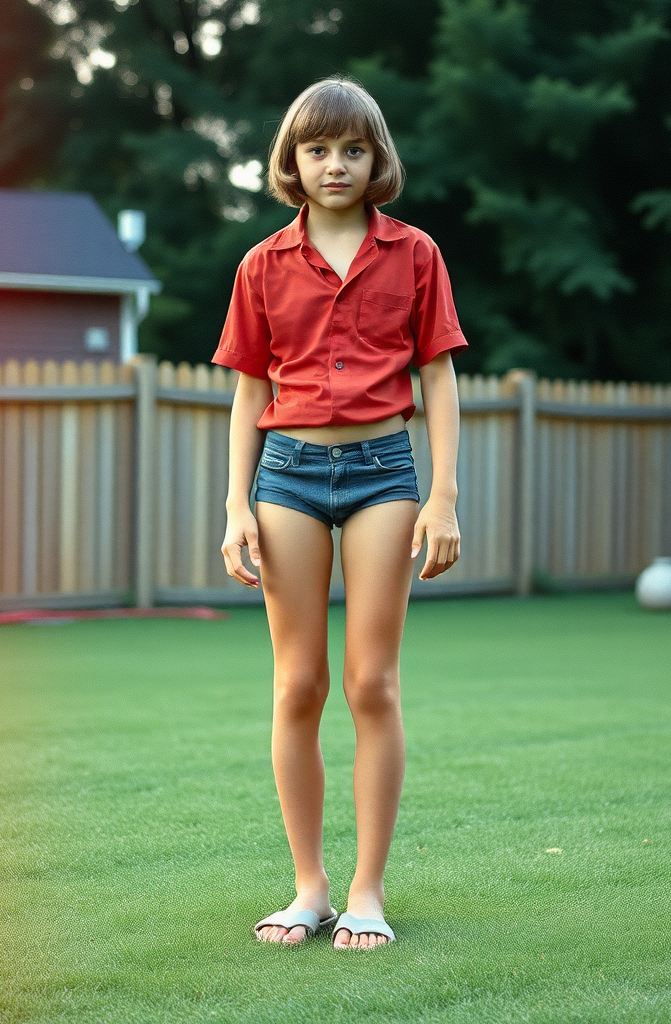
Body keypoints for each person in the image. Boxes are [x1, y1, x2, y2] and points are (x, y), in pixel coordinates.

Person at [213, 77, 467, 950]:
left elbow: (437, 375)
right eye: (318, 149)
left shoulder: (416, 254)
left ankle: (366, 891)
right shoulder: (260, 265)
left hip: (383, 474)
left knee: (371, 683)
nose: (335, 164)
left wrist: (442, 494)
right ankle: (309, 887)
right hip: (285, 474)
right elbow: (250, 391)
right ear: (293, 160)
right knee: (297, 685)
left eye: (352, 149)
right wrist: (235, 506)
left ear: (376, 160)